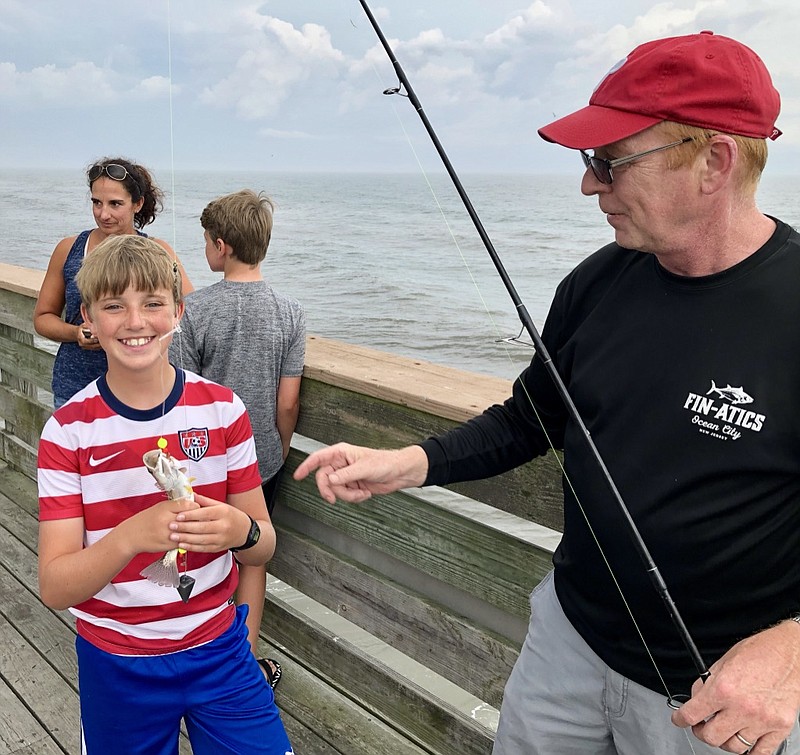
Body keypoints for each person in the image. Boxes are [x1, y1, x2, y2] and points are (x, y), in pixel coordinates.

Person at [294, 31, 800, 755]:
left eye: (609, 161)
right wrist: (411, 461)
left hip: (722, 699)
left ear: (712, 161)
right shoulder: (597, 283)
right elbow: (529, 419)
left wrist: (793, 647)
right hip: (569, 644)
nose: (590, 184)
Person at [37, 235, 292, 755]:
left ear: (178, 310)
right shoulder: (67, 433)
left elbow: (263, 545)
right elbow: (56, 586)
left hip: (220, 651)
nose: (136, 322)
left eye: (153, 304)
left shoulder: (225, 411)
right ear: (88, 317)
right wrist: (130, 537)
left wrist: (238, 530)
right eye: (114, 306)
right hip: (116, 661)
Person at [169, 189, 306, 689]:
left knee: (200, 553)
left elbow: (181, 394)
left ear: (220, 246)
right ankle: (241, 665)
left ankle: (191, 645)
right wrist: (280, 446)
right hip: (262, 460)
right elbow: (287, 403)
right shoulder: (291, 312)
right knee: (252, 554)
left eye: (206, 241)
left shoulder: (195, 310)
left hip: (202, 462)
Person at [33, 157, 193, 409]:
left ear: (137, 204)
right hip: (75, 388)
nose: (103, 214)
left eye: (115, 204)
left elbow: (188, 310)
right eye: (97, 203)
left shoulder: (159, 251)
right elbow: (43, 317)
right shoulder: (69, 249)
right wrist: (76, 333)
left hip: (144, 392)